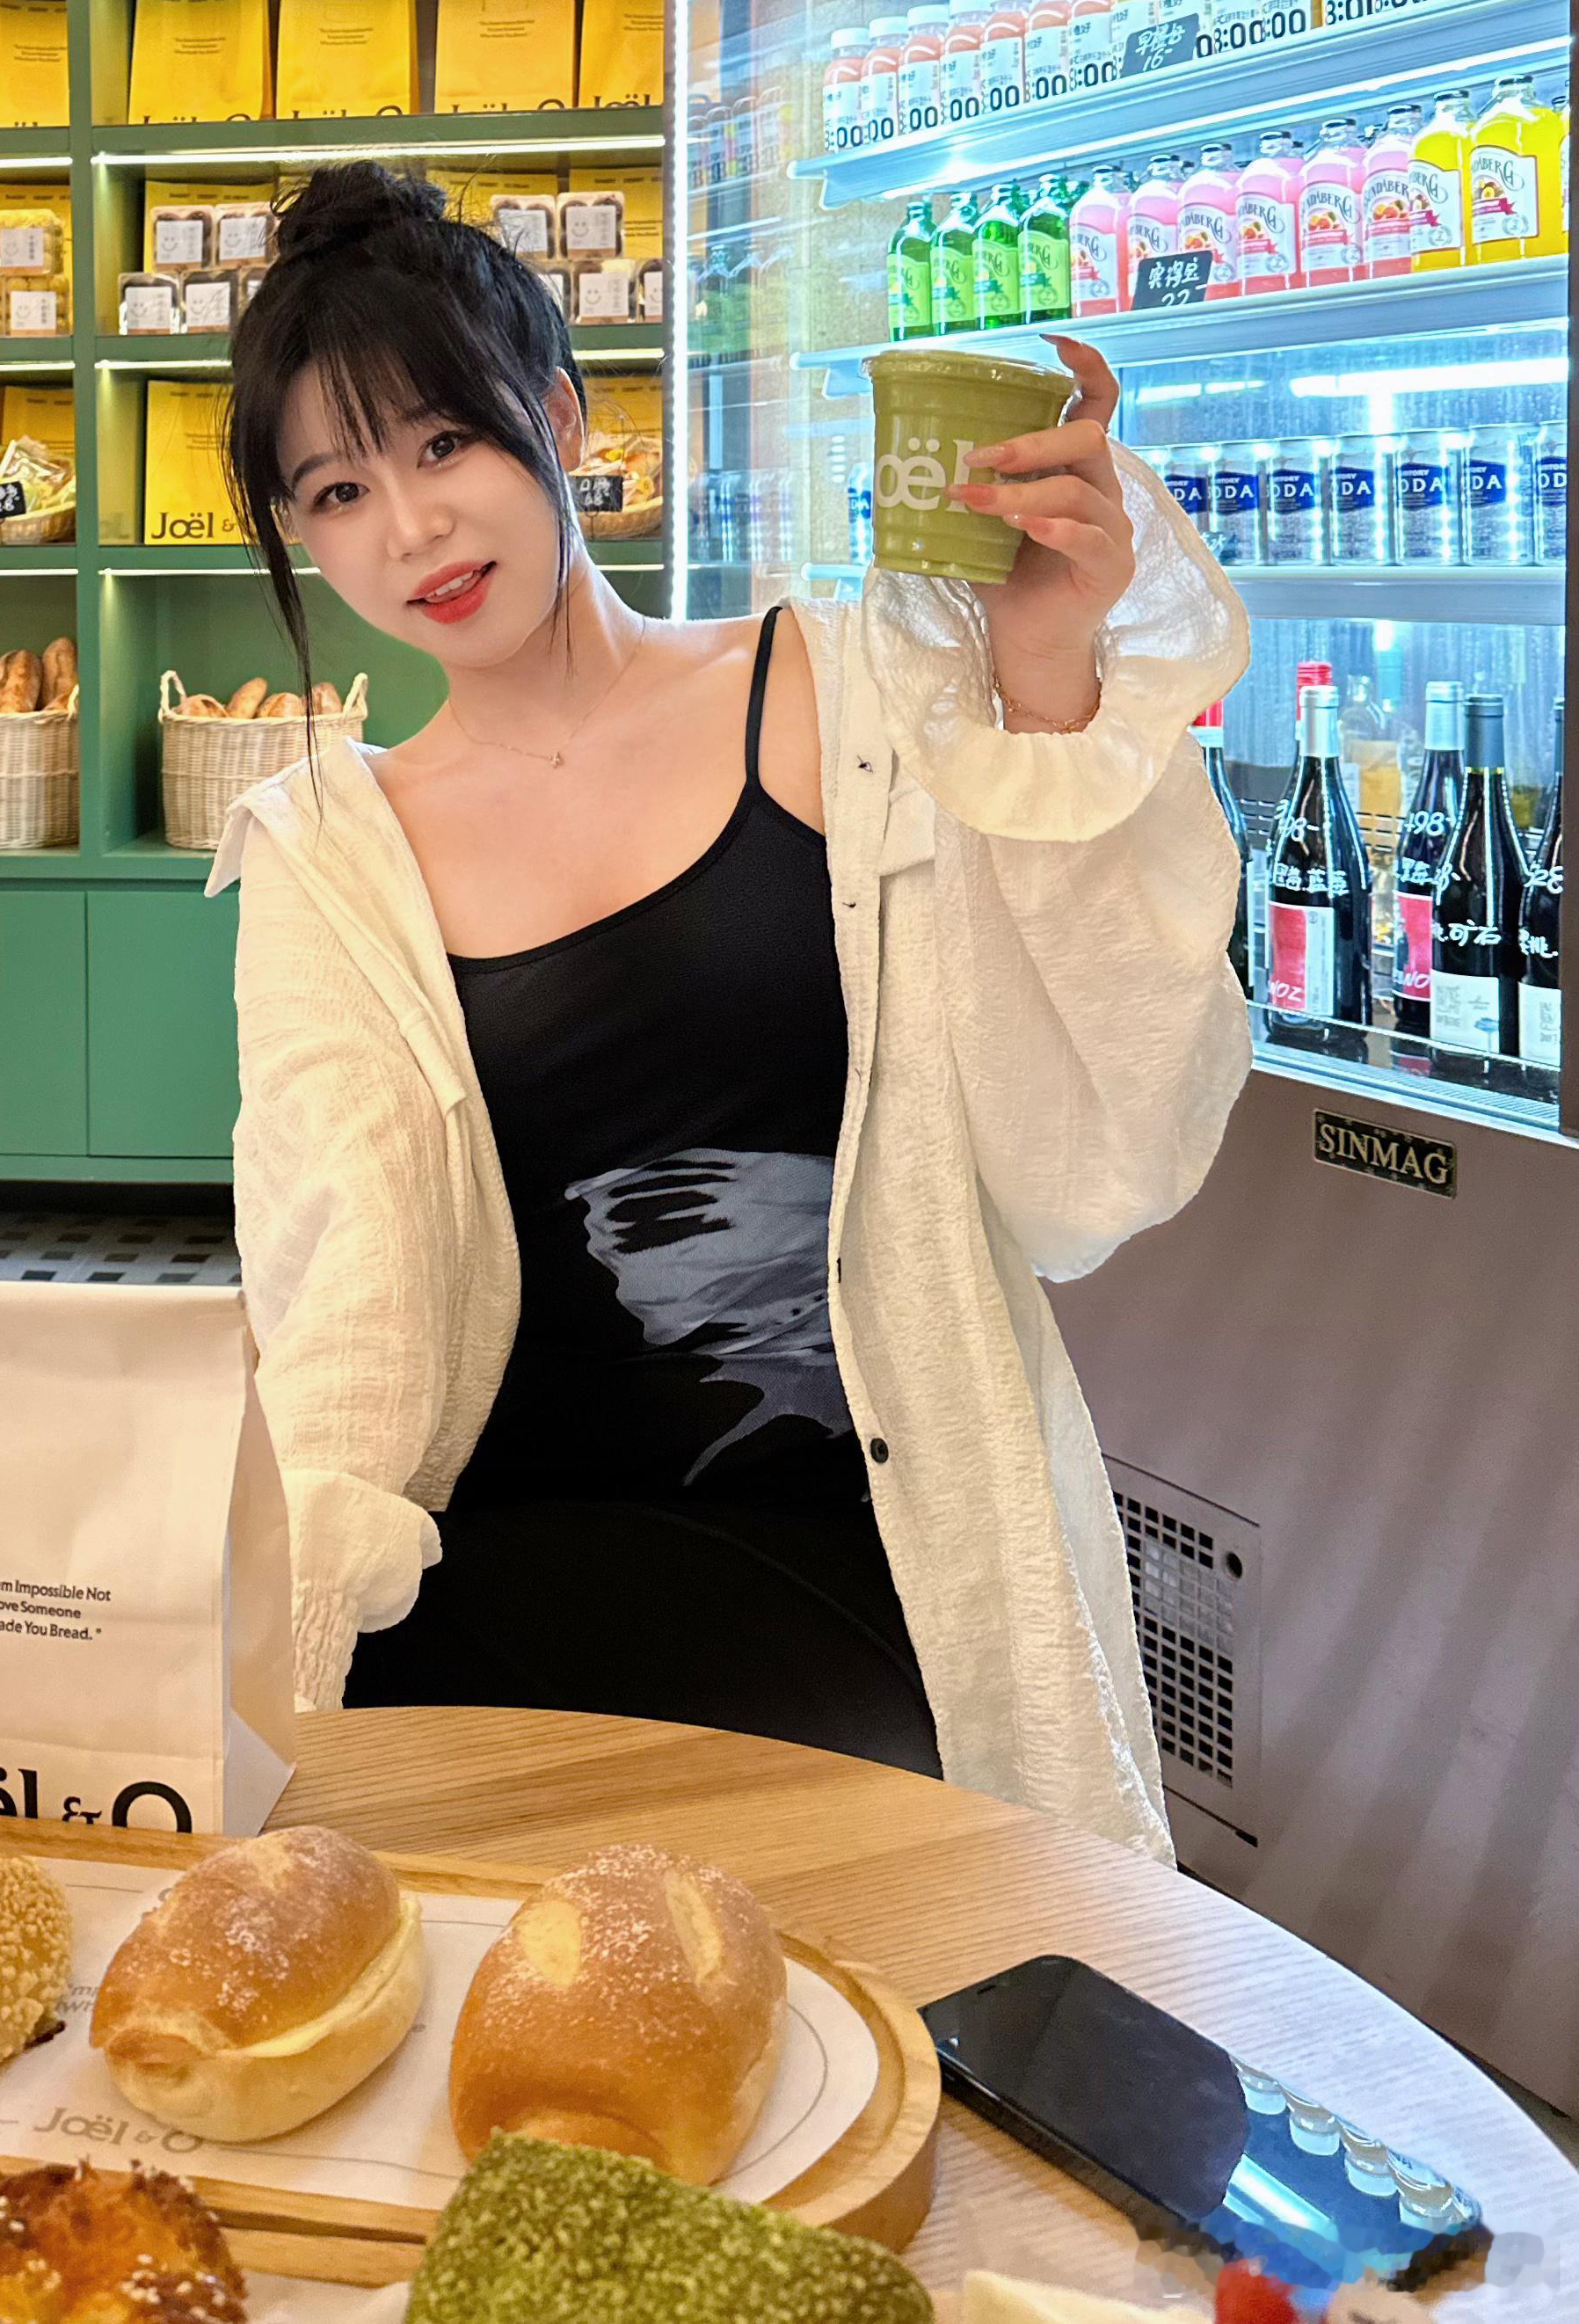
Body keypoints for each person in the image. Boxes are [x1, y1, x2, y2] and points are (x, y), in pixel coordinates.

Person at [210, 163, 1250, 1861]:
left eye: (443, 442)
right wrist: (274, 1644)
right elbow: (345, 1306)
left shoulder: (846, 694)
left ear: (560, 417)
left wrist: (1048, 675)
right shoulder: (329, 853)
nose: (409, 531)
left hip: (872, 1541)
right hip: (497, 1563)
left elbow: (1094, 1149)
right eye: (335, 490)